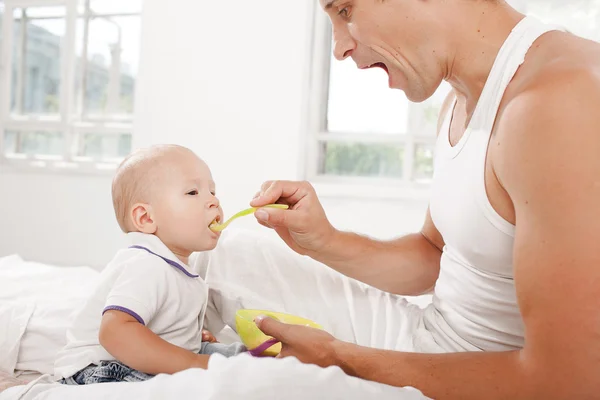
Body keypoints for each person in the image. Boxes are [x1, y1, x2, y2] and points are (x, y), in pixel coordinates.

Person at [249, 0, 600, 398]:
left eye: (345, 11)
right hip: (428, 339)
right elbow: (435, 256)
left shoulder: (560, 103)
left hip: (472, 379)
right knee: (228, 258)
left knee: (222, 386)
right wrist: (323, 240)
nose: (339, 48)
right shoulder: (460, 99)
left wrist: (339, 359)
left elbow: (570, 383)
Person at [54, 144, 245, 385]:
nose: (213, 202)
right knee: (192, 382)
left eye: (213, 191)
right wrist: (194, 362)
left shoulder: (179, 269)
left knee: (237, 357)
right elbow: (114, 332)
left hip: (131, 360)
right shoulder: (146, 264)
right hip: (99, 368)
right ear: (146, 218)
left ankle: (264, 366)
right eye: (193, 193)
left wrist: (187, 339)